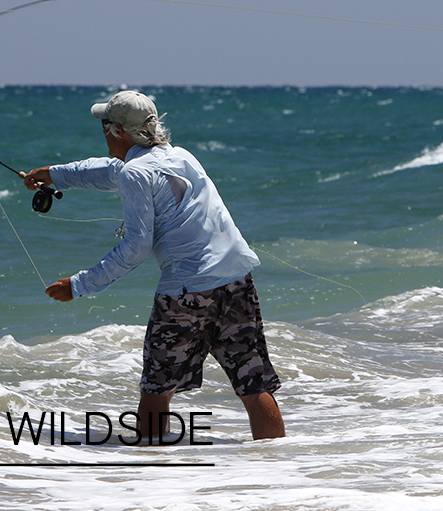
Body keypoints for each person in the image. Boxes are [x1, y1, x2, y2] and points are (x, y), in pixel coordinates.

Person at [22, 90, 285, 441]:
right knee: (253, 385)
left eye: (105, 126)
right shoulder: (181, 156)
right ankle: (275, 468)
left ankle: (149, 474)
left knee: (156, 390)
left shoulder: (136, 173)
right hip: (237, 277)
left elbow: (136, 246)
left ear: (117, 132)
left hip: (187, 289)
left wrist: (80, 285)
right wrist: (54, 174)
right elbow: (114, 171)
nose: (102, 133)